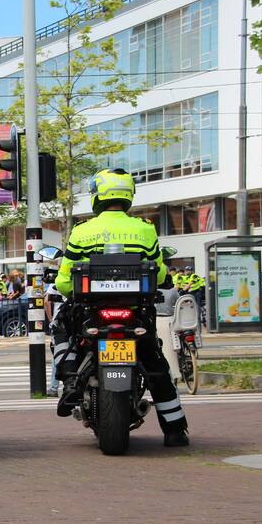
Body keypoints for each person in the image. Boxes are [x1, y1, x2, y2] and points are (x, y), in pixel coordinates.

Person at [52, 168, 189, 447]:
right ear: (128, 196)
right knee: (154, 363)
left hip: (92, 312)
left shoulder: (81, 232)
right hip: (135, 312)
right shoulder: (144, 230)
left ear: (97, 197)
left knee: (64, 332)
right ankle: (174, 430)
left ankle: (68, 383)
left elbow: (65, 282)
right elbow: (160, 275)